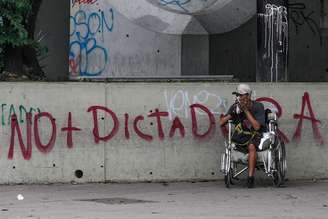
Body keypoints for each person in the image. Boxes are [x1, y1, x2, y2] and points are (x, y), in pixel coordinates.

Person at [220, 83, 266, 188]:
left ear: (248, 95)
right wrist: (233, 113)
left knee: (251, 146)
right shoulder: (235, 107)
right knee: (231, 144)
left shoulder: (258, 106)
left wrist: (245, 110)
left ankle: (250, 178)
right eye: (237, 95)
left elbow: (257, 127)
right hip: (240, 136)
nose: (238, 97)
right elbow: (221, 122)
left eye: (241, 95)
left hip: (254, 135)